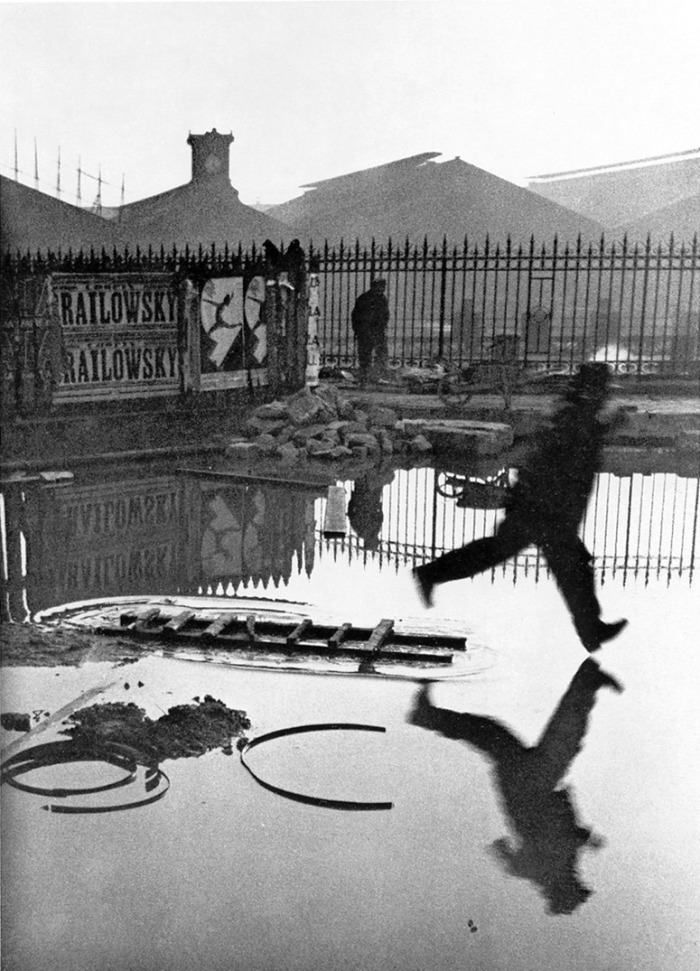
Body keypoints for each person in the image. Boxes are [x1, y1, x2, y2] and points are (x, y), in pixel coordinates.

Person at [413, 362, 628, 652]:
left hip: (543, 505)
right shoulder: (576, 414)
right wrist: (607, 425)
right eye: (603, 389)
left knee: (549, 561)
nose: (605, 395)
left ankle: (592, 630)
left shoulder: (573, 410)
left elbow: (567, 441)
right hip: (544, 508)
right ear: (594, 391)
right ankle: (591, 631)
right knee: (567, 566)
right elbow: (571, 442)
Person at [408, 659, 623, 914]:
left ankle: (588, 680)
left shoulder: (549, 870)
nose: (578, 879)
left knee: (519, 737)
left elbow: (551, 845)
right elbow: (514, 857)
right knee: (523, 736)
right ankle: (588, 681)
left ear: (564, 887)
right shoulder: (550, 869)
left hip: (527, 788)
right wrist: (583, 840)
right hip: (532, 786)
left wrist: (585, 840)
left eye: (576, 885)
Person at [351, 279, 389, 384]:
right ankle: (366, 377)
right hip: (367, 332)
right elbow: (356, 316)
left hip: (376, 331)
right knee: (366, 355)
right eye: (381, 286)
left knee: (379, 354)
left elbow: (385, 315)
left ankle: (374, 377)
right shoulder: (364, 299)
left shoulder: (381, 299)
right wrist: (358, 330)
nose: (383, 288)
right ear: (374, 287)